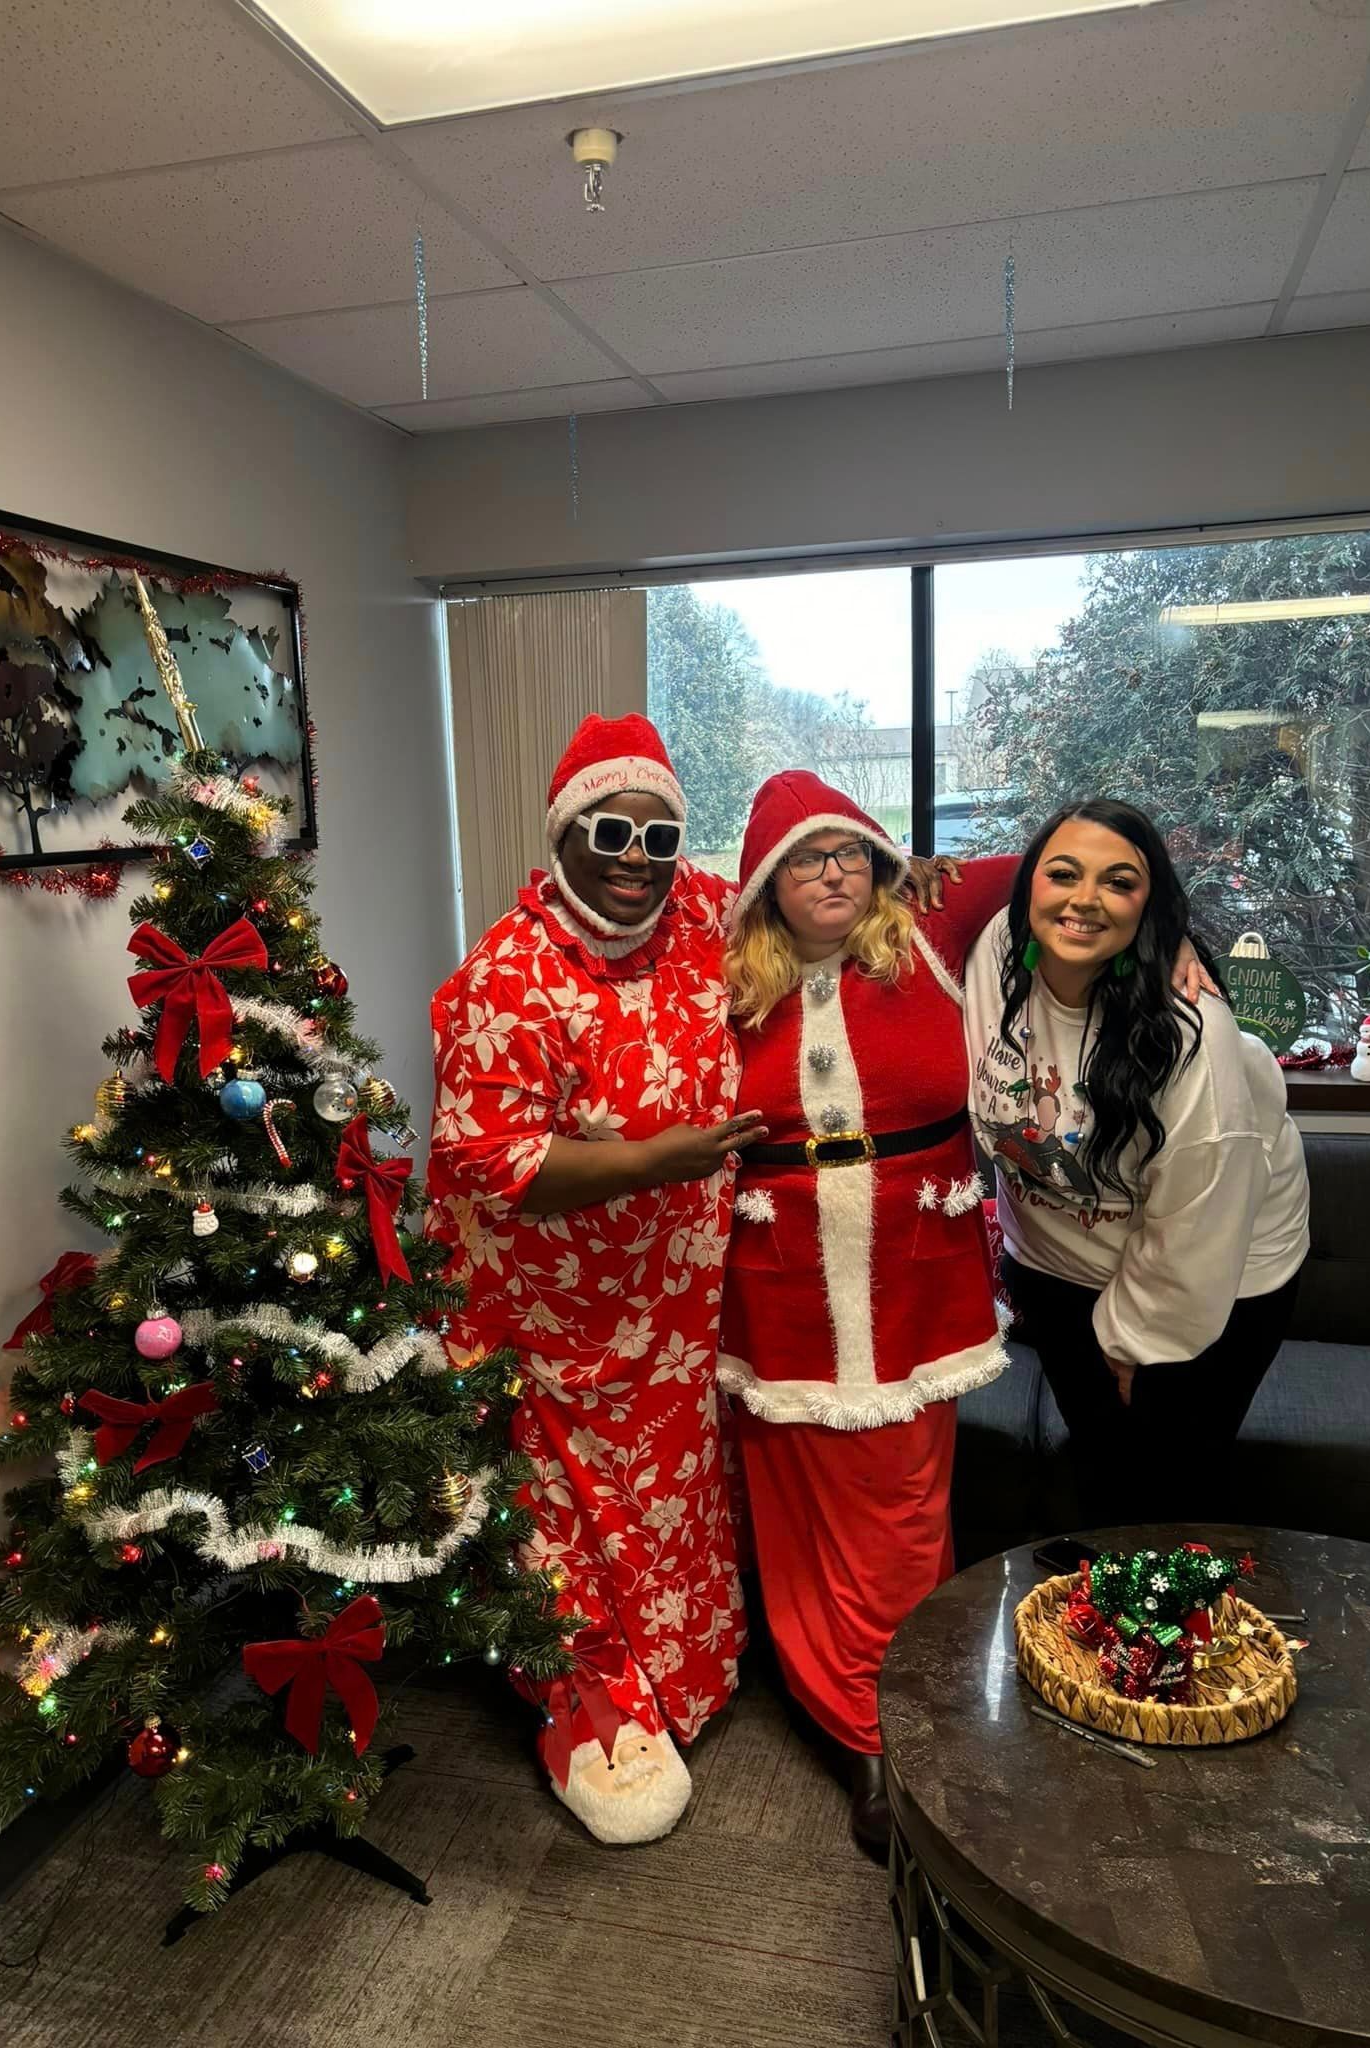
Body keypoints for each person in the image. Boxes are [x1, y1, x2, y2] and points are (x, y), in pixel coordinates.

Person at [425, 713, 763, 1845]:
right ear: (565, 835)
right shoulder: (505, 979)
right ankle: (590, 1701)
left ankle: (676, 1684)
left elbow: (820, 883)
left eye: (659, 837)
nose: (635, 856)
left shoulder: (699, 922)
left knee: (669, 1504)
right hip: (546, 1324)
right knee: (560, 1520)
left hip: (667, 1317)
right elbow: (486, 1156)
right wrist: (651, 1161)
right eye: (610, 830)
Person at [716, 771, 1023, 1846]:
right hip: (778, 1291)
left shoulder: (932, 927)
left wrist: (1179, 950)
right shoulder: (726, 974)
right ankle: (850, 1718)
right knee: (796, 1510)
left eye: (851, 849)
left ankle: (897, 1717)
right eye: (805, 856)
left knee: (900, 1508)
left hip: (918, 1286)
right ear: (765, 880)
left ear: (884, 860)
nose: (834, 869)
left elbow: (1082, 861)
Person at [963, 800, 1309, 1528]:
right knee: (1103, 1474)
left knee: (1169, 1497)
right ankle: (1088, 1623)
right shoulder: (997, 949)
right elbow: (908, 888)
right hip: (1057, 1266)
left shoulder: (1190, 1036)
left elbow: (1198, 1231)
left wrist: (1127, 1345)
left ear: (1149, 907)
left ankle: (1184, 1634)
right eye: (1063, 874)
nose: (1084, 899)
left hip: (1214, 1280)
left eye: (1119, 883)